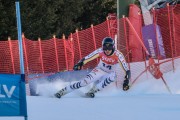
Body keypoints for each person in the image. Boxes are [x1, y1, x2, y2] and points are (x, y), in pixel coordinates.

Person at [55, 37, 131, 98]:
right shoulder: (100, 51)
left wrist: (126, 81)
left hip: (110, 72)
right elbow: (88, 58)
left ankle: (93, 90)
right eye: (105, 48)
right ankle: (63, 91)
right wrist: (80, 64)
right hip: (100, 70)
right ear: (102, 47)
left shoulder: (118, 55)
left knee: (112, 77)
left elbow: (126, 69)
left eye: (109, 47)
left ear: (113, 47)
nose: (107, 50)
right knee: (84, 82)